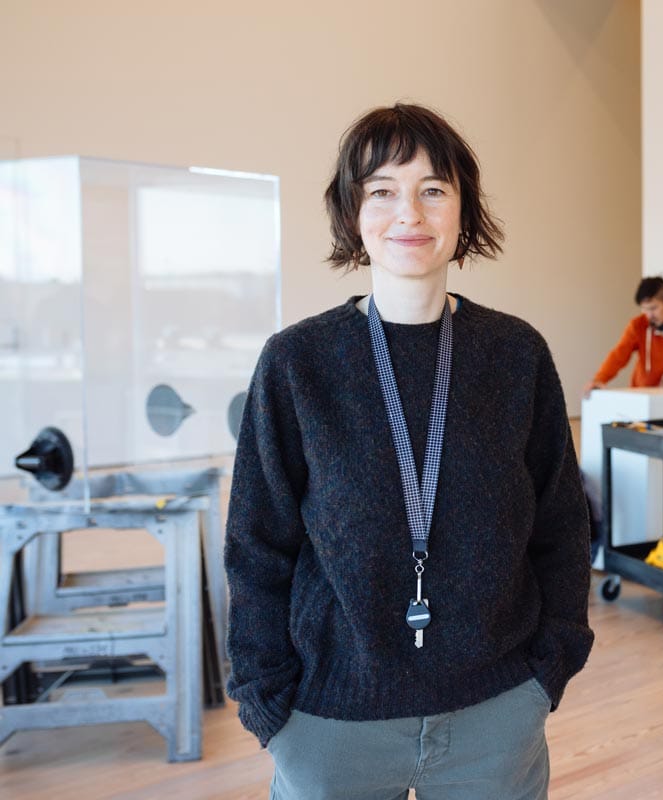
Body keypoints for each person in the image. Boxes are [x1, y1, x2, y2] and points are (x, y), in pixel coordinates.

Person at [224, 103, 594, 800]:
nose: (410, 214)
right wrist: (267, 703)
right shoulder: (297, 363)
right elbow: (255, 544)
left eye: (433, 189)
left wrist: (552, 663)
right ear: (352, 215)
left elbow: (562, 525)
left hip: (496, 714)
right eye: (383, 191)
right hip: (331, 723)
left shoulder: (516, 355)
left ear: (463, 210)